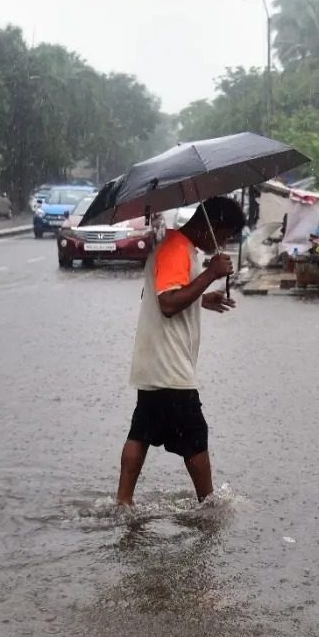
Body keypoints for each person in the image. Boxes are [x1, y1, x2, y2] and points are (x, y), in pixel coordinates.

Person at [116, 196, 245, 508]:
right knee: (195, 435)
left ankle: (122, 503)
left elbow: (158, 293)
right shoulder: (176, 249)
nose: (221, 243)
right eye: (224, 235)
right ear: (210, 226)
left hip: (153, 363)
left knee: (142, 431)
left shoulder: (174, 247)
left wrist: (204, 297)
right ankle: (209, 507)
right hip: (170, 366)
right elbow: (168, 303)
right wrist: (209, 275)